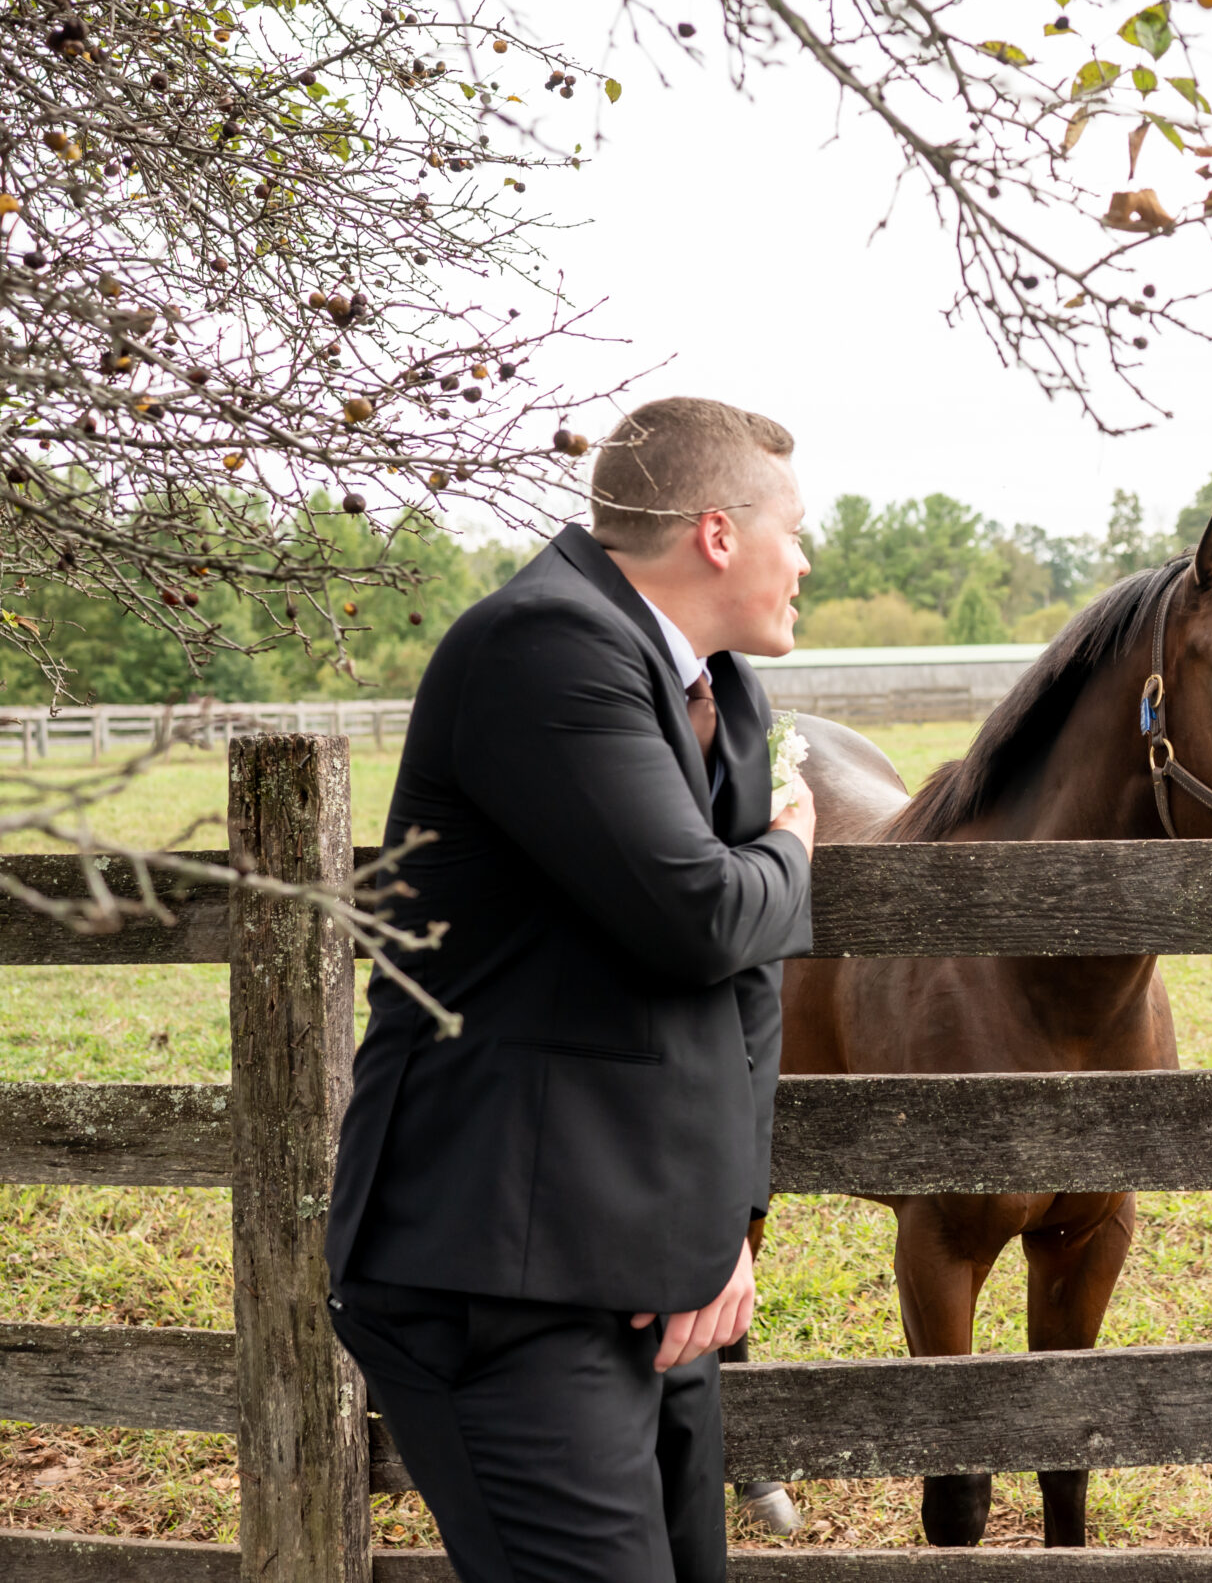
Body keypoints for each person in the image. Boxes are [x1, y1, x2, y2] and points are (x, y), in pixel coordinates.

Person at [324, 396, 819, 1583]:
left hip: (655, 1264)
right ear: (715, 534)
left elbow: (739, 992)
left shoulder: (719, 686)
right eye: (792, 531)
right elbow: (698, 919)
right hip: (502, 1267)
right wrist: (794, 850)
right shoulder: (538, 649)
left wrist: (728, 1225)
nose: (804, 560)